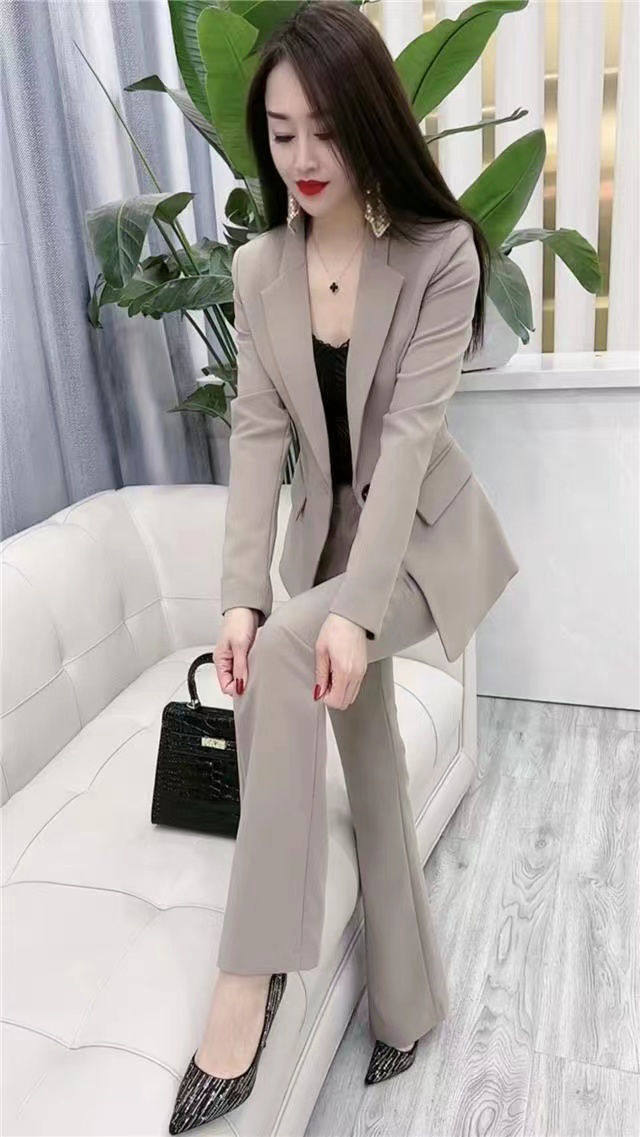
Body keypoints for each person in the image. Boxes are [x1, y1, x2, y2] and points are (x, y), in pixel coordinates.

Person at [169, 3, 519, 1132]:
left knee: (293, 651)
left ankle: (254, 969)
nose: (303, 157)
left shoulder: (438, 255)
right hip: (325, 558)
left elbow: (409, 442)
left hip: (416, 552)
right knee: (363, 757)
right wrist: (240, 595)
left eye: (324, 129)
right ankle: (408, 1005)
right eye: (281, 134)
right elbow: (257, 435)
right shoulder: (258, 267)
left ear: (369, 120)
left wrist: (351, 617)